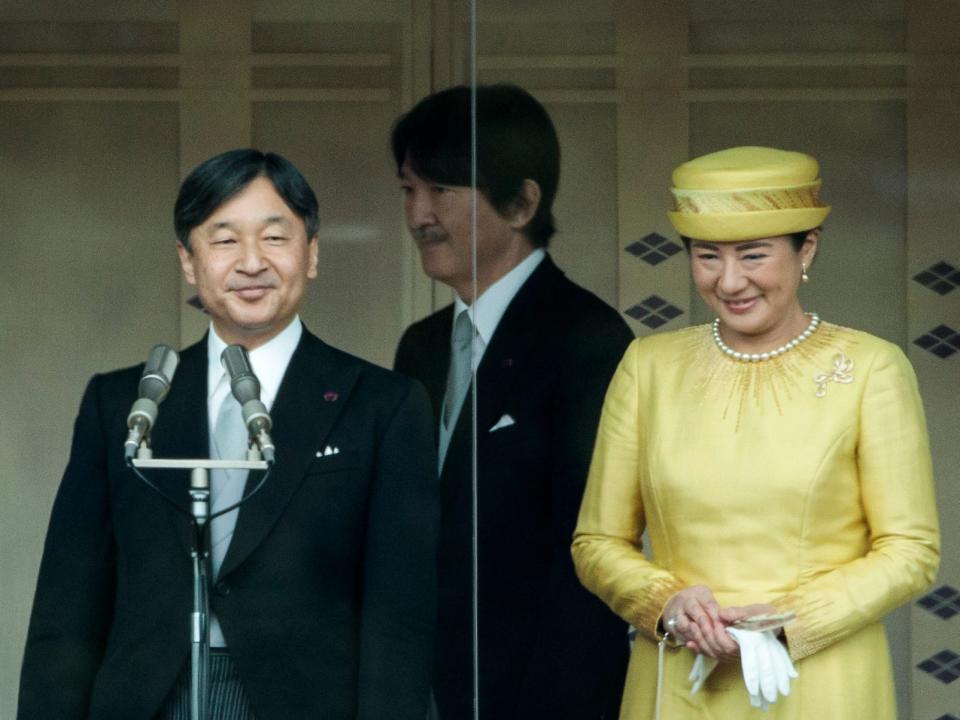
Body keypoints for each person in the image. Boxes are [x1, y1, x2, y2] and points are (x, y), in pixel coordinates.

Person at [18, 149, 439, 719]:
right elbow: (67, 610)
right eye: (223, 240)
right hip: (147, 700)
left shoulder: (382, 405)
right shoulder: (123, 403)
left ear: (312, 254)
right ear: (188, 261)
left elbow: (400, 620)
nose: (251, 263)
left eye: (274, 238)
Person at [572, 146, 940, 718]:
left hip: (818, 679)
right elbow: (596, 543)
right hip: (678, 680)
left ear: (806, 248)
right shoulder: (648, 367)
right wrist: (666, 603)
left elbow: (910, 550)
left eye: (754, 255)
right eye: (707, 257)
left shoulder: (872, 368)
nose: (729, 280)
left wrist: (786, 621)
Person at [392, 84, 633, 719]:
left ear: (523, 203)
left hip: (542, 692)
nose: (418, 214)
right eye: (408, 190)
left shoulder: (589, 338)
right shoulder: (420, 346)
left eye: (441, 190)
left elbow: (589, 558)